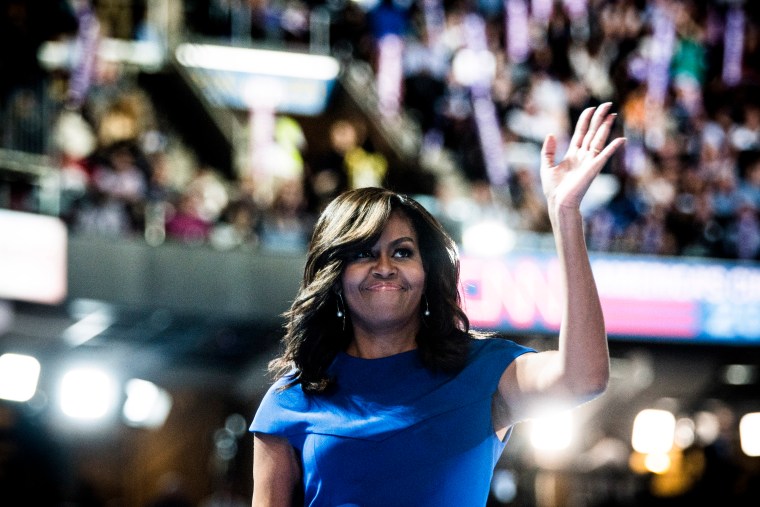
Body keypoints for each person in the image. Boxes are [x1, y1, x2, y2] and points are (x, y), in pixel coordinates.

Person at [249, 103, 626, 506]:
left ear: (428, 272)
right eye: (362, 254)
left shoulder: (482, 371)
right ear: (334, 275)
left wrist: (565, 215)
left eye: (402, 252)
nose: (384, 268)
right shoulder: (290, 398)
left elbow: (584, 378)